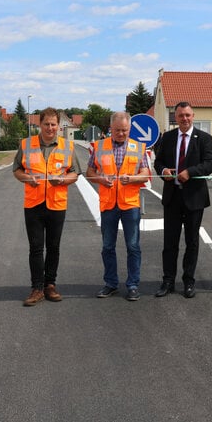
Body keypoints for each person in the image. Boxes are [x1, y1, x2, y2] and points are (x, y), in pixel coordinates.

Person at [13, 108, 81, 306]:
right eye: (46, 124)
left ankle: (50, 285)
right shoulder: (26, 145)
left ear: (58, 126)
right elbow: (16, 170)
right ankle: (37, 288)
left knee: (53, 247)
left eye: (53, 124)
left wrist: (63, 180)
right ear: (39, 125)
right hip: (33, 204)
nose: (50, 128)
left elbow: (75, 173)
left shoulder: (67, 146)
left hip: (57, 203)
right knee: (35, 248)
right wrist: (27, 178)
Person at [153, 102, 212, 298]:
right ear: (176, 117)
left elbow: (210, 163)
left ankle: (189, 281)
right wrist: (163, 171)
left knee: (192, 242)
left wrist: (190, 172)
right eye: (181, 116)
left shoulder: (204, 138)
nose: (185, 119)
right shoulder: (169, 137)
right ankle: (168, 281)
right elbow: (158, 161)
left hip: (194, 198)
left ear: (193, 116)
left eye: (188, 115)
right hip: (172, 197)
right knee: (169, 242)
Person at [86, 112, 150, 301]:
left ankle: (132, 285)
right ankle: (111, 283)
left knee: (133, 246)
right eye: (117, 130)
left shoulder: (139, 148)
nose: (121, 134)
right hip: (108, 204)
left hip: (130, 204)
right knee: (107, 246)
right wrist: (100, 179)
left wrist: (132, 179)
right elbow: (90, 171)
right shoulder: (99, 146)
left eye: (124, 130)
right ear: (110, 129)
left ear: (129, 129)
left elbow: (146, 173)